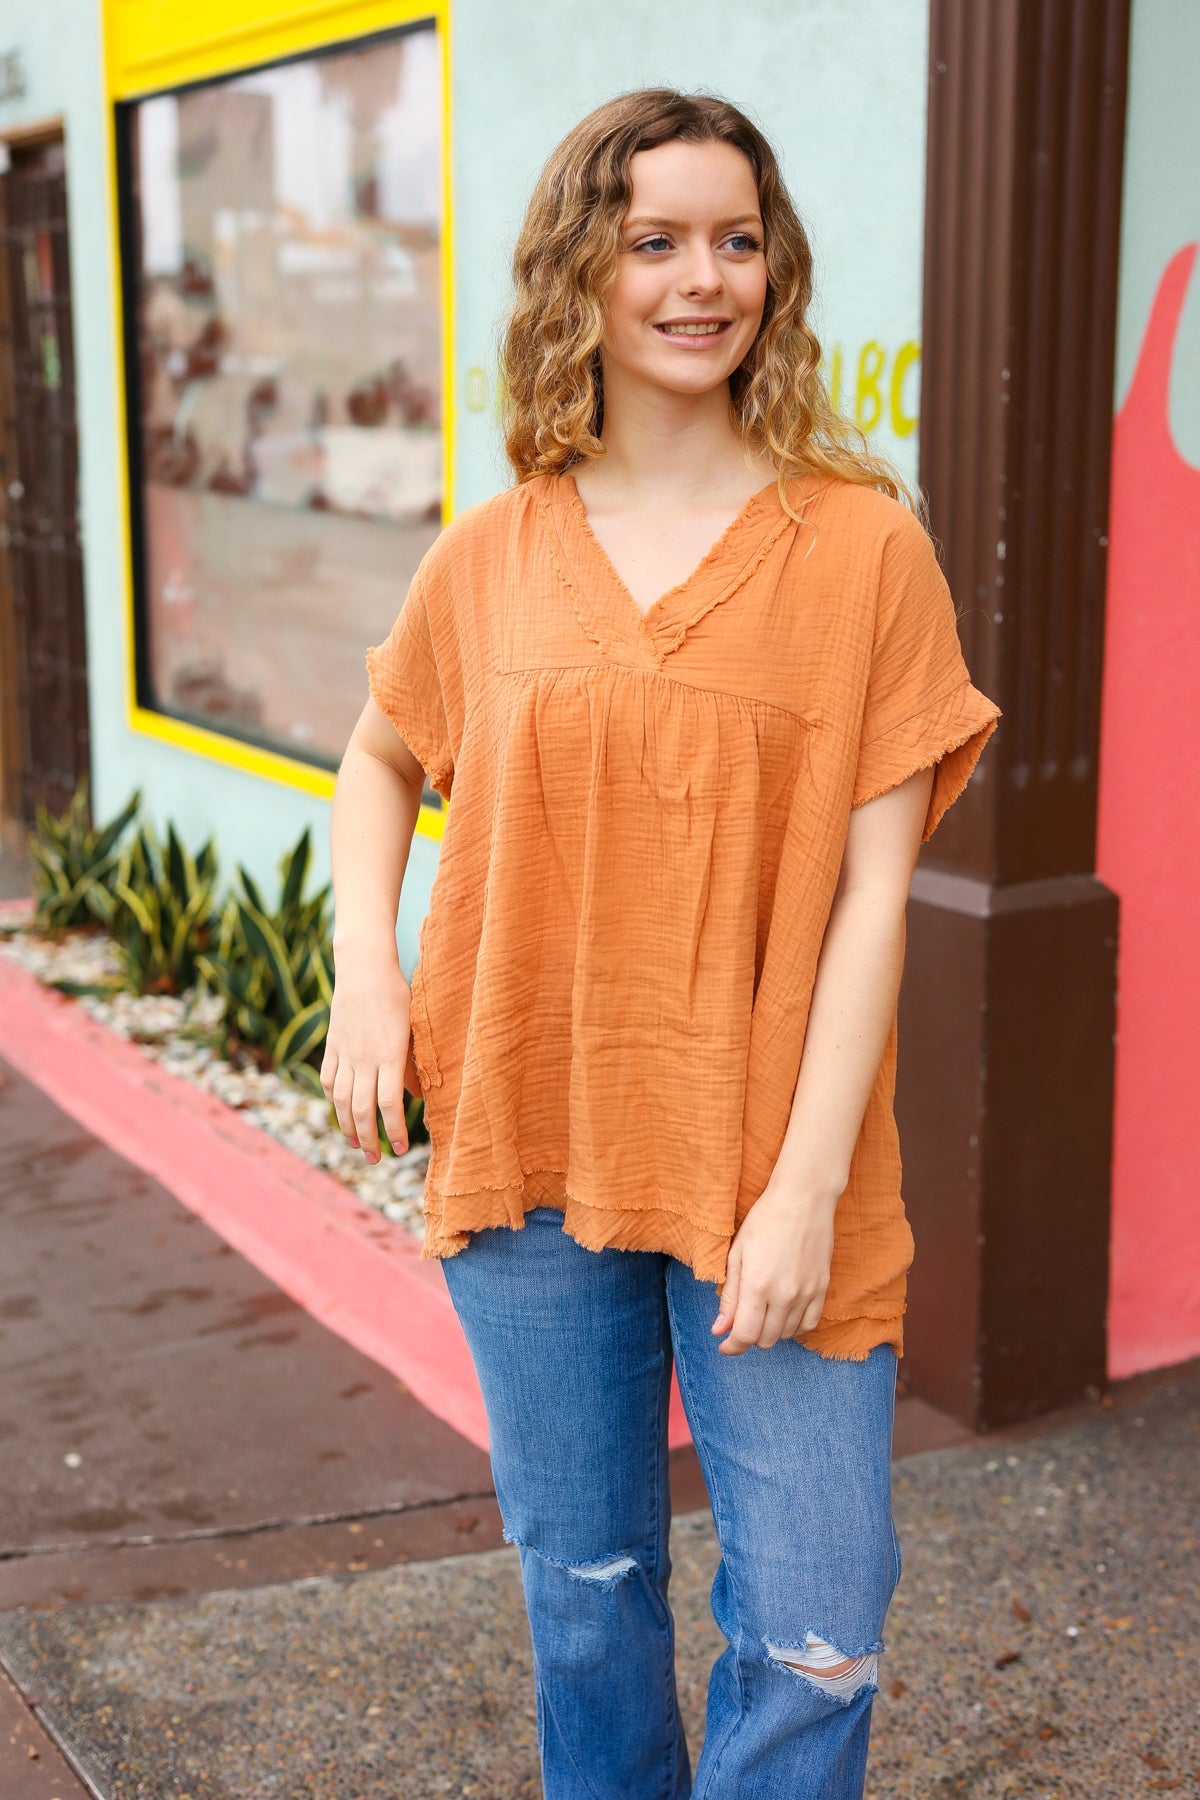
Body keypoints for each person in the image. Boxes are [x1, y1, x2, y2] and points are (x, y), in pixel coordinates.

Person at [326, 88, 1001, 1800]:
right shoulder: (497, 553)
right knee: (588, 1599)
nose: (703, 280)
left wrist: (803, 1184)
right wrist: (368, 974)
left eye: (736, 240)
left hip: (776, 1160)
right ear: (585, 273)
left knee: (822, 1623)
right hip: (531, 1141)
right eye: (656, 242)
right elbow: (382, 755)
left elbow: (873, 896)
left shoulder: (866, 549)